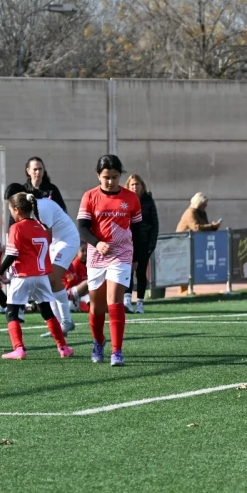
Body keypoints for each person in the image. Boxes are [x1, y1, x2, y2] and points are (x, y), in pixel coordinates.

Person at [77, 154, 143, 366]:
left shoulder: (131, 198)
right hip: (97, 255)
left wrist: (138, 258)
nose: (110, 181)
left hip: (122, 254)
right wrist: (97, 243)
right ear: (98, 175)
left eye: (114, 177)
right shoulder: (89, 196)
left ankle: (117, 351)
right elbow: (82, 228)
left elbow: (138, 230)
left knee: (114, 302)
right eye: (106, 177)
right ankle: (98, 341)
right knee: (96, 308)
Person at [0, 192, 72, 360]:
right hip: (41, 276)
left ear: (17, 210)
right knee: (47, 311)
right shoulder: (41, 226)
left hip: (23, 276)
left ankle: (19, 349)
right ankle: (63, 347)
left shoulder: (16, 228)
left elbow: (13, 254)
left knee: (12, 313)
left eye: (11, 210)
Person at [5, 182, 80, 337]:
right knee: (47, 281)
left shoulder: (42, 207)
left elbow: (48, 238)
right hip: (52, 243)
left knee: (52, 278)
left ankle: (66, 321)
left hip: (67, 241)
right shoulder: (29, 209)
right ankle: (59, 326)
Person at [123, 174, 159, 314]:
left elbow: (154, 223)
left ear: (142, 186)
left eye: (137, 184)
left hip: (143, 242)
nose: (135, 187)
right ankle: (127, 301)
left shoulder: (148, 201)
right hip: (128, 241)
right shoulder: (125, 200)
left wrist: (152, 244)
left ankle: (140, 303)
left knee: (141, 272)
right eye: (132, 184)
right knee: (127, 271)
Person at [176, 192, 221, 295]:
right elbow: (196, 227)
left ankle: (187, 289)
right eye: (204, 203)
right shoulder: (190, 212)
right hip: (183, 243)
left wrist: (213, 227)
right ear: (198, 202)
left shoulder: (202, 212)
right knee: (185, 265)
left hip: (194, 243)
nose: (206, 205)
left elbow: (204, 226)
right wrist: (211, 226)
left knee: (191, 265)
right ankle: (182, 290)